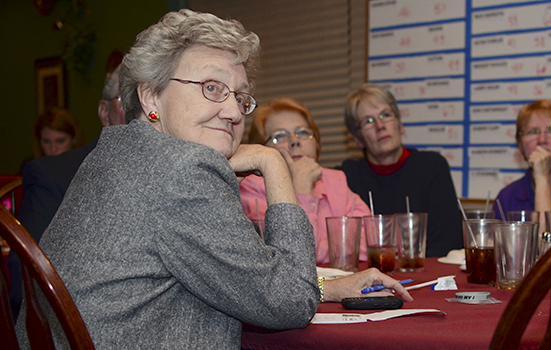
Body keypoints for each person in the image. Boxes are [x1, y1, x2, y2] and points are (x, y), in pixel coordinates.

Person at [15, 10, 412, 349]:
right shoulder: (182, 171)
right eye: (211, 88)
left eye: (240, 97)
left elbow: (230, 276)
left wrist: (327, 287)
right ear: (151, 96)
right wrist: (273, 163)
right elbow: (290, 304)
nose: (233, 112)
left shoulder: (115, 156)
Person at [8, 52, 128, 322]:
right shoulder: (53, 175)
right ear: (104, 113)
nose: (139, 112)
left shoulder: (178, 176)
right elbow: (26, 282)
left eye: (150, 102)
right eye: (126, 100)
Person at [240, 97, 371, 264]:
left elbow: (370, 241)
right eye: (279, 136)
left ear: (316, 143)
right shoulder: (250, 188)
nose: (295, 141)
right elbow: (292, 257)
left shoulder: (334, 180)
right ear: (261, 150)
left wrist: (321, 249)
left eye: (302, 132)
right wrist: (302, 187)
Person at [338, 83, 463, 257]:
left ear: (400, 124)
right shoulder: (346, 177)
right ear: (358, 139)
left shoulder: (432, 167)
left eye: (386, 115)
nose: (380, 126)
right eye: (369, 121)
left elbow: (448, 244)